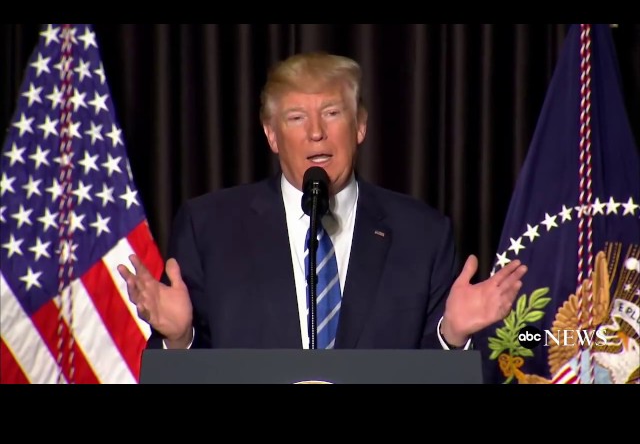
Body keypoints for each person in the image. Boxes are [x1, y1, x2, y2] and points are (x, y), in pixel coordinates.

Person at [117, 52, 527, 352]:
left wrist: (451, 335)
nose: (316, 132)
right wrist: (179, 338)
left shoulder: (423, 234)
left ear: (360, 126)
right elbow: (184, 374)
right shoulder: (209, 227)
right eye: (296, 117)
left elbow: (432, 374)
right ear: (272, 135)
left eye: (331, 113)